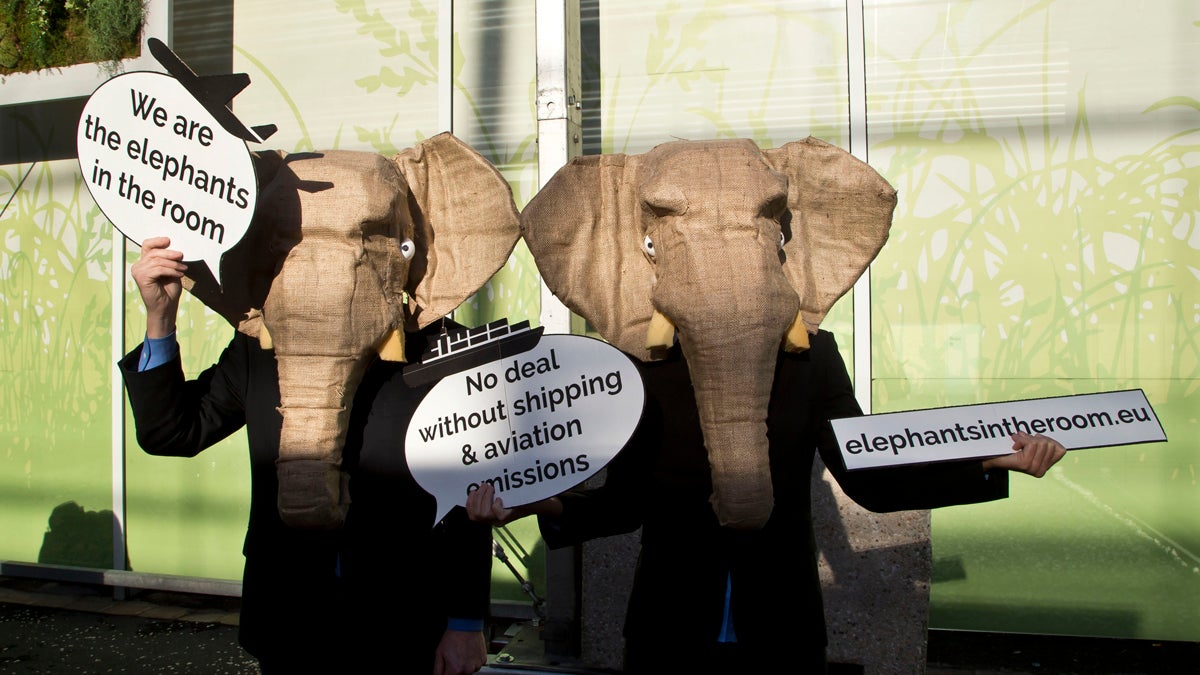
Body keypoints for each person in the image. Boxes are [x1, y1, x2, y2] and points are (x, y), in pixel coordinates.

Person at [467, 329, 1066, 673]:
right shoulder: (642, 365)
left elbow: (870, 478)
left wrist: (988, 462)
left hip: (782, 623)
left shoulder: (813, 357)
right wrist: (534, 503)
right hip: (668, 627)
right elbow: (625, 506)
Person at [122, 236, 492, 674]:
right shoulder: (259, 348)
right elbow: (172, 432)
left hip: (410, 622)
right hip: (288, 616)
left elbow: (474, 494)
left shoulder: (447, 351)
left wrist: (466, 622)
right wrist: (160, 317)